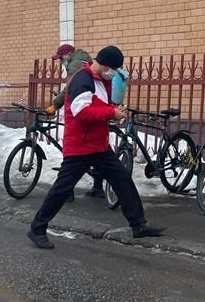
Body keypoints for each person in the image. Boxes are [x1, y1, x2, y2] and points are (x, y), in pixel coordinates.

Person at [28, 46, 165, 249]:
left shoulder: (103, 80)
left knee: (122, 179)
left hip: (98, 144)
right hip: (80, 145)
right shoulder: (82, 79)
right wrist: (111, 113)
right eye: (112, 69)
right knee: (62, 189)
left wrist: (112, 110)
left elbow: (97, 105)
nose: (114, 73)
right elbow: (81, 111)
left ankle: (138, 225)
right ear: (103, 64)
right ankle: (37, 229)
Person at [48, 44, 105, 200]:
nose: (61, 62)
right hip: (91, 110)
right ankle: (98, 187)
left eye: (61, 58)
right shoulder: (84, 61)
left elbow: (70, 88)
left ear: (69, 54)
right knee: (94, 152)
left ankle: (68, 192)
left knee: (72, 154)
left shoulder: (75, 65)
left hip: (78, 114)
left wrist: (56, 104)